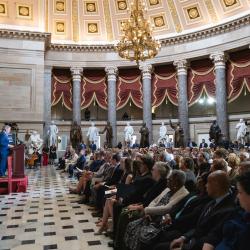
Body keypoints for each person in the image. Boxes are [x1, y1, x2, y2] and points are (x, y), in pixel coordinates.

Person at [169, 171, 236, 250]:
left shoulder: (227, 210)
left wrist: (184, 247)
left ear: (216, 185)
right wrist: (183, 238)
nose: (205, 185)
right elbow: (198, 227)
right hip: (191, 239)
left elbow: (211, 238)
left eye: (208, 183)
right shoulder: (212, 202)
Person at [202, 171, 250, 250]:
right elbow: (217, 231)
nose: (237, 196)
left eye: (240, 192)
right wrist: (209, 242)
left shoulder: (231, 208)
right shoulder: (240, 211)